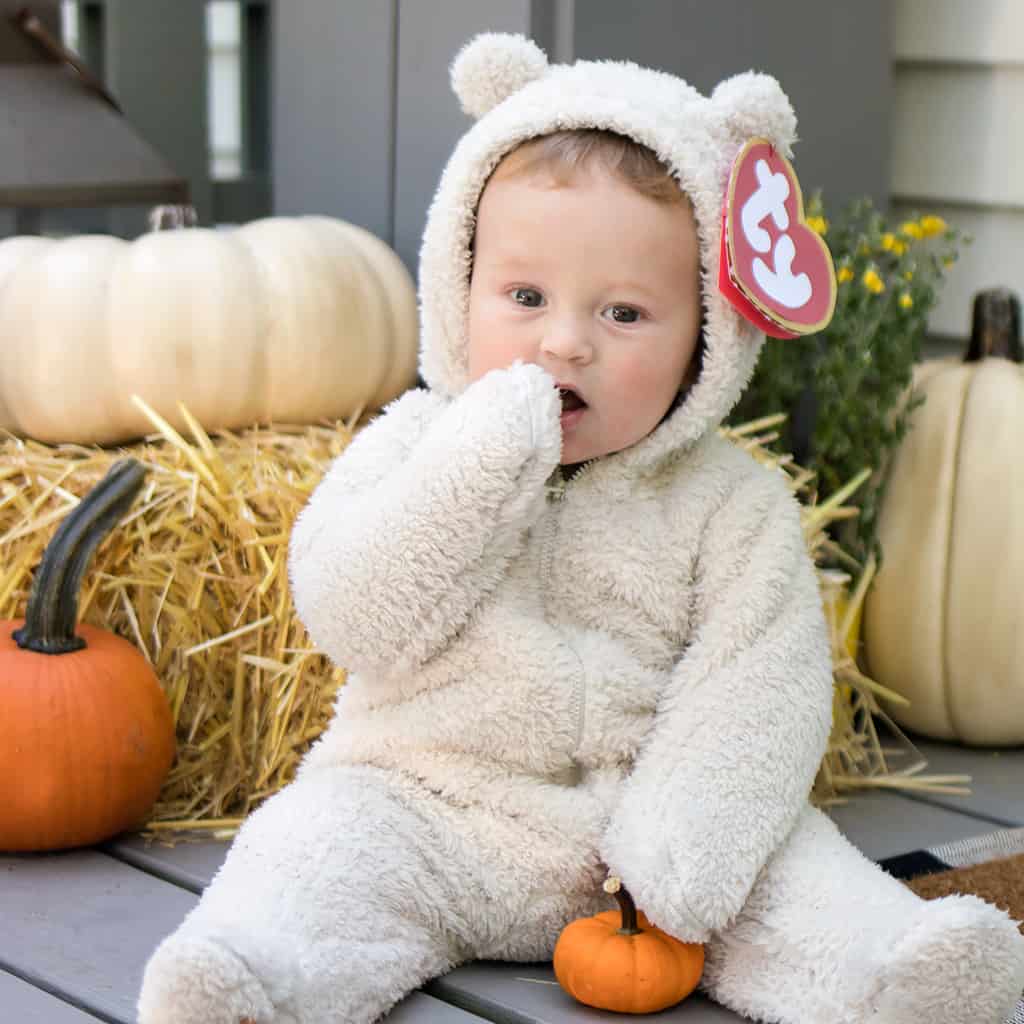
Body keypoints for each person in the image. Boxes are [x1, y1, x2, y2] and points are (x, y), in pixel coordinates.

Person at [138, 34, 1024, 1024]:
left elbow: (760, 686)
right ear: (458, 282)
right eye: (524, 298)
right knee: (315, 844)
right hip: (430, 805)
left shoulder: (730, 500)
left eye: (624, 313)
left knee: (790, 867)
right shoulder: (414, 443)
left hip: (646, 846)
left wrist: (677, 859)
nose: (565, 341)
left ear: (707, 339)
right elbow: (354, 609)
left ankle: (900, 978)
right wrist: (476, 465)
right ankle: (255, 981)